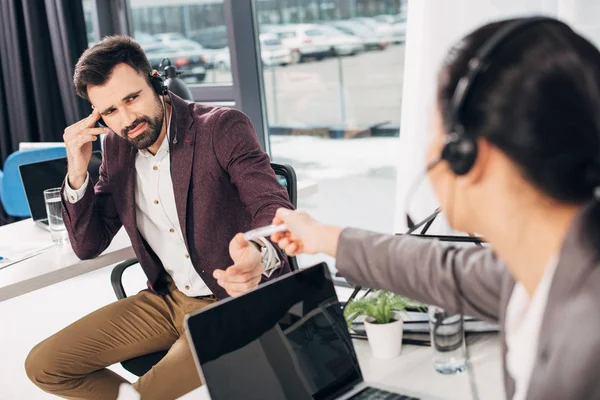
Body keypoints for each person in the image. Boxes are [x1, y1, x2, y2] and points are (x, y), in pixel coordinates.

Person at [272, 17, 600, 400]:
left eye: (438, 133)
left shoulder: (588, 334)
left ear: (467, 154)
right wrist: (322, 236)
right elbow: (439, 268)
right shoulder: (538, 267)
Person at [24, 36, 294, 400]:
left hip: (232, 301)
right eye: (109, 112)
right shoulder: (116, 147)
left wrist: (258, 252)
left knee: (144, 395)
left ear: (154, 80)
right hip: (168, 300)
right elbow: (88, 245)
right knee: (45, 366)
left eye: (132, 98)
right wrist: (77, 170)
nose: (126, 119)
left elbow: (273, 207)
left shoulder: (221, 128)